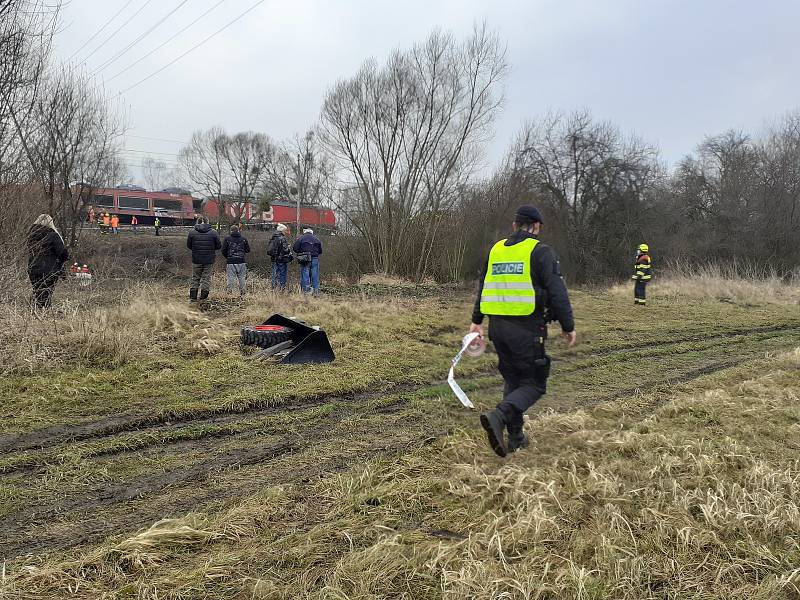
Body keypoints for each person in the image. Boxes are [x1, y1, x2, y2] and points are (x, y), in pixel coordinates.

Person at [470, 204, 577, 457]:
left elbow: (483, 286)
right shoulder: (540, 252)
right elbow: (557, 291)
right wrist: (568, 326)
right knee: (534, 383)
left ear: (514, 225)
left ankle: (516, 438)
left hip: (498, 329)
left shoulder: (496, 250)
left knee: (513, 380)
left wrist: (476, 321)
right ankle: (500, 416)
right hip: (527, 329)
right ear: (536, 226)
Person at [27, 214, 69, 309]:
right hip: (49, 269)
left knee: (37, 291)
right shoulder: (53, 235)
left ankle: (35, 312)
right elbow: (63, 253)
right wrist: (62, 262)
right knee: (46, 293)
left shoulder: (31, 235)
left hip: (32, 268)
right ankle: (44, 314)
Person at [186, 216, 221, 302]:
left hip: (196, 259)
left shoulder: (192, 232)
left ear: (197, 222)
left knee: (195, 278)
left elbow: (189, 245)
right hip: (209, 259)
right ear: (208, 222)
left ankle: (193, 298)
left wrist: (196, 250)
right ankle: (203, 298)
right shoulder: (214, 232)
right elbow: (219, 246)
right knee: (206, 278)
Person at [221, 224, 251, 296]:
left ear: (231, 231)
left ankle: (229, 293)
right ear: (238, 230)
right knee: (242, 277)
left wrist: (228, 257)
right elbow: (248, 250)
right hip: (241, 261)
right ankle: (243, 293)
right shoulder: (243, 239)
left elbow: (223, 251)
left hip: (231, 261)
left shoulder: (227, 239)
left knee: (231, 277)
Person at [293, 227, 323, 295]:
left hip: (305, 258)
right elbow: (320, 251)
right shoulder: (317, 239)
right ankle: (316, 291)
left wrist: (301, 251)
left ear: (304, 232)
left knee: (305, 275)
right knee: (315, 275)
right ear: (312, 232)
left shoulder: (301, 238)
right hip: (315, 258)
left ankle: (306, 291)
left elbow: (295, 248)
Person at [268, 223, 292, 290]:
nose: (285, 232)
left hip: (274, 258)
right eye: (285, 231)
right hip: (281, 259)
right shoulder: (282, 238)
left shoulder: (273, 237)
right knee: (282, 274)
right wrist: (288, 247)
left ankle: (274, 287)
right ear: (282, 231)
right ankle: (281, 288)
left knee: (274, 273)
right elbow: (285, 250)